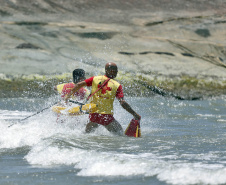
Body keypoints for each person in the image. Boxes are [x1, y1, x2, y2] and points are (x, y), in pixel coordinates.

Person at [64, 62, 141, 135]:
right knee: (121, 135)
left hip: (94, 115)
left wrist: (68, 95)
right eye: (116, 70)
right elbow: (122, 102)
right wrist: (134, 114)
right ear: (112, 71)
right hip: (106, 117)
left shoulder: (95, 79)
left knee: (86, 135)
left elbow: (79, 84)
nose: (117, 72)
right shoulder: (117, 85)